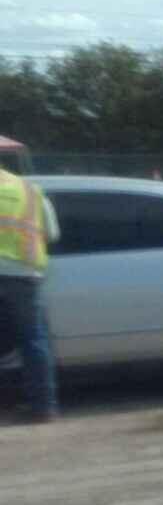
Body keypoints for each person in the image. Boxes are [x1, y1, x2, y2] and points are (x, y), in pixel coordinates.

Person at [0, 162, 58, 421]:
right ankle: (43, 408)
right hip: (24, 275)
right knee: (34, 341)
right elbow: (53, 234)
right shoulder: (30, 190)